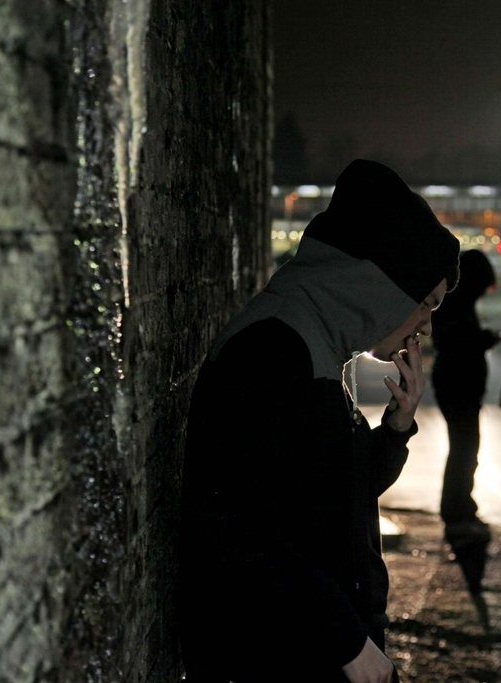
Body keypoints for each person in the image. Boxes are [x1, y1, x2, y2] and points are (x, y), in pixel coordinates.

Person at [178, 159, 460, 681]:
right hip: (284, 655)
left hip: (315, 647)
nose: (424, 326)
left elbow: (337, 497)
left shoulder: (317, 348)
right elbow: (238, 528)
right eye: (426, 303)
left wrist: (397, 427)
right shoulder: (274, 349)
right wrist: (351, 644)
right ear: (377, 284)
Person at [432, 249, 500, 541]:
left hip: (456, 385)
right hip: (458, 386)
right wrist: (485, 339)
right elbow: (459, 343)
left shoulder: (453, 303)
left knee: (464, 448)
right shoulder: (458, 306)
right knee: (465, 449)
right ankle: (457, 509)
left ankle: (460, 505)